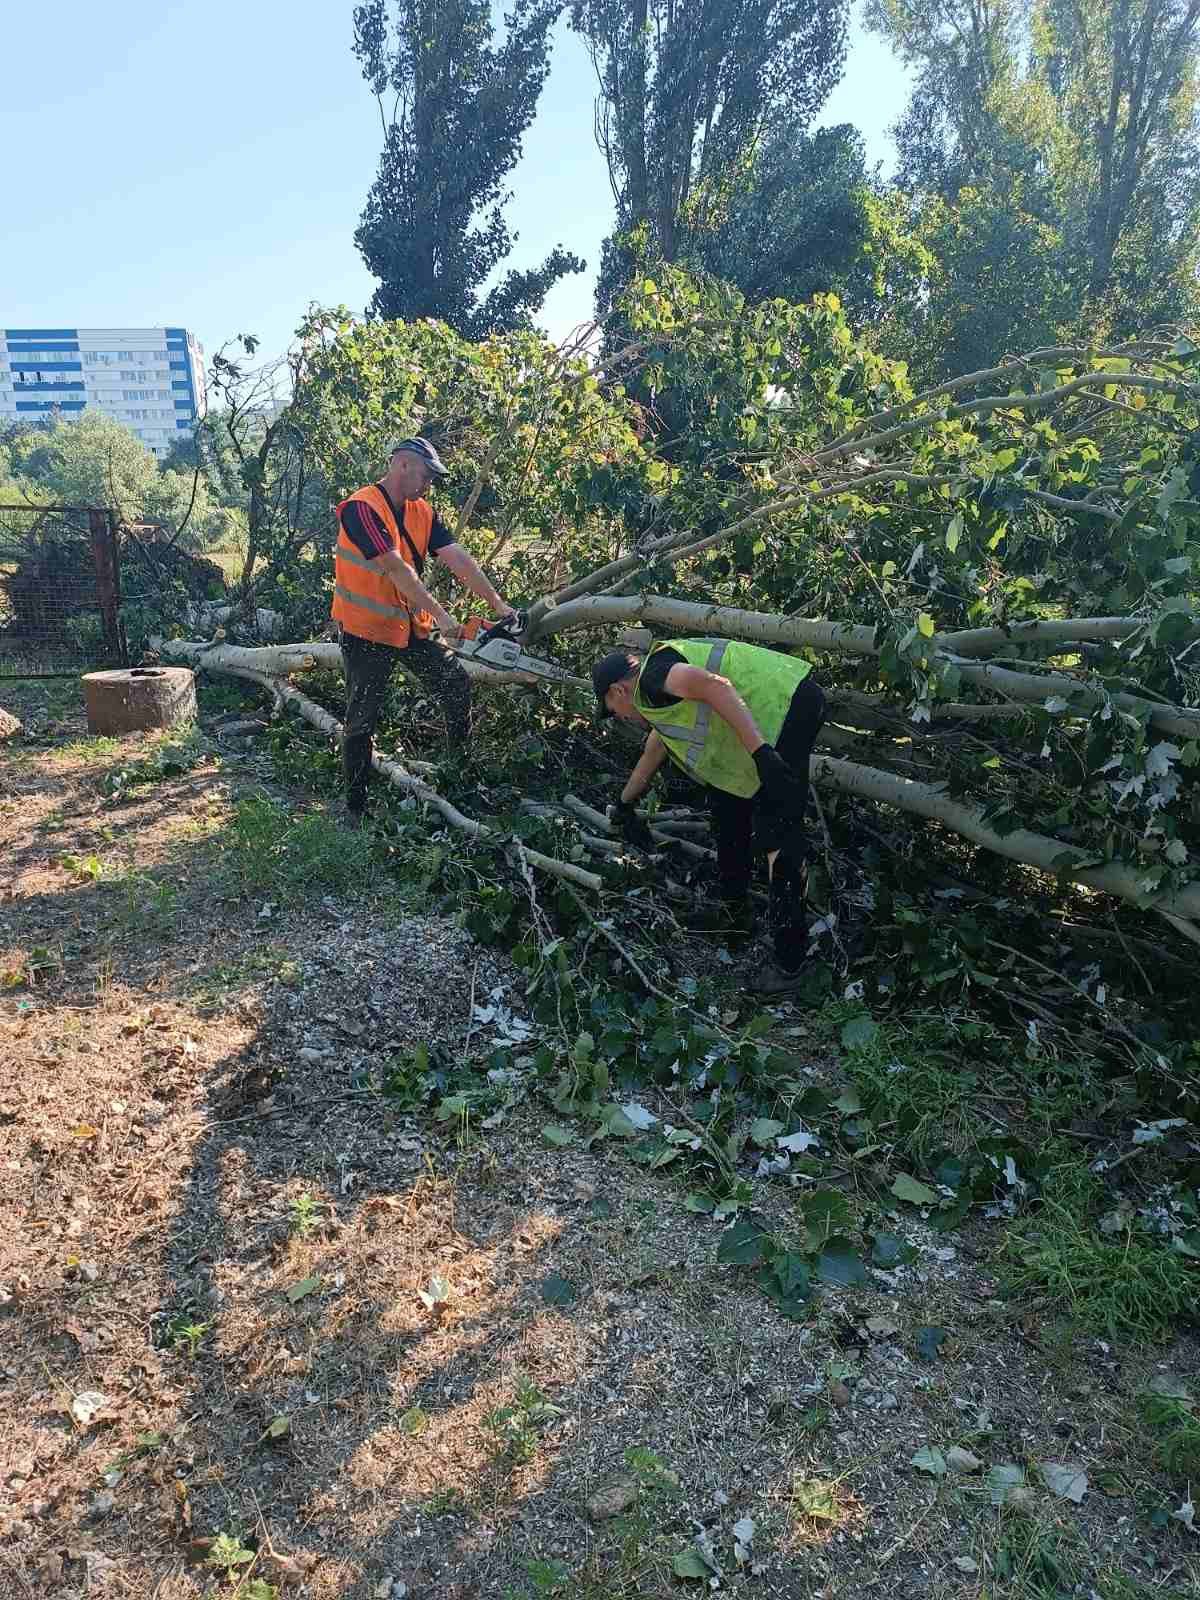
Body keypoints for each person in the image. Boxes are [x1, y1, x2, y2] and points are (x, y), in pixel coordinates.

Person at [593, 636, 826, 996]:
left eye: (610, 709)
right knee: (727, 817)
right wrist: (624, 804)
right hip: (767, 724)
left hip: (786, 707)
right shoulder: (654, 699)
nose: (617, 717)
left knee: (777, 834)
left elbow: (714, 686)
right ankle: (736, 917)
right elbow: (654, 751)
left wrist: (761, 753)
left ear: (617, 691)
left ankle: (791, 963)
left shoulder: (657, 675)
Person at [331, 437, 516, 819]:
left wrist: (498, 605)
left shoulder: (422, 512)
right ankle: (354, 809)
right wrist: (446, 619)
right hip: (366, 632)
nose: (430, 482)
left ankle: (457, 774)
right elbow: (396, 569)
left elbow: (457, 558)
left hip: (411, 628)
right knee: (362, 720)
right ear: (402, 464)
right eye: (427, 473)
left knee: (456, 685)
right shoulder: (362, 509)